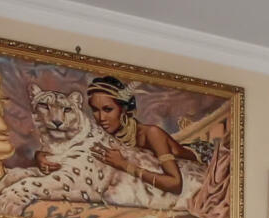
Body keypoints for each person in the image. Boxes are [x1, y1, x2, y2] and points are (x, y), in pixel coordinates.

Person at [76, 75, 196, 208]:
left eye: (108, 109)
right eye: (95, 110)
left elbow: (175, 184)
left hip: (201, 154)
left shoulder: (151, 134)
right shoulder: (102, 133)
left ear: (124, 109)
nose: (101, 117)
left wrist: (124, 165)